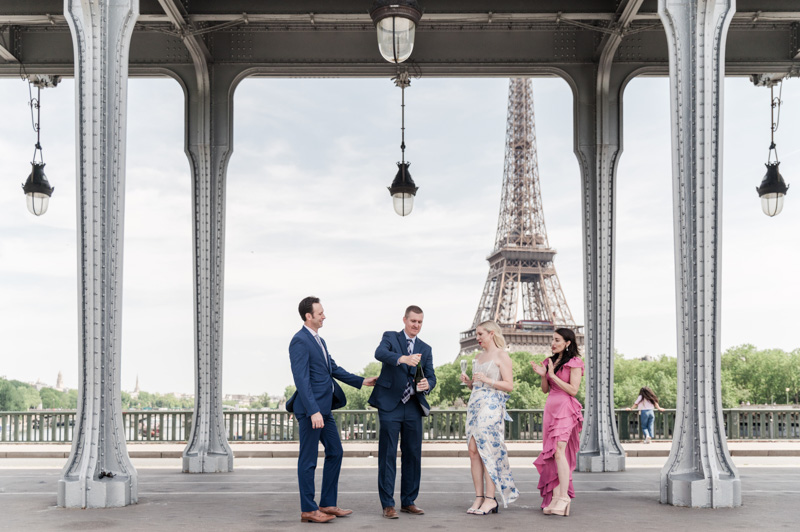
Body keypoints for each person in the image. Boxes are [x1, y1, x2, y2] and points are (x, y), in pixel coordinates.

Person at [287, 296, 377, 523]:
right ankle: (308, 509)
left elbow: (332, 368)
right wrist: (313, 410)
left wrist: (361, 381)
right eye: (320, 313)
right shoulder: (299, 341)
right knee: (308, 460)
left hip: (324, 409)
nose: (324, 316)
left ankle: (327, 504)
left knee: (336, 452)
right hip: (312, 411)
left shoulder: (320, 341)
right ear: (309, 316)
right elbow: (301, 379)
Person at [368, 305, 436, 519]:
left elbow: (432, 376)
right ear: (405, 320)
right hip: (390, 405)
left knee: (413, 456)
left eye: (420, 322)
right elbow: (380, 354)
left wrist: (428, 384)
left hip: (414, 406)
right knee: (387, 455)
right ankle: (388, 504)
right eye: (413, 321)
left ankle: (409, 501)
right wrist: (403, 359)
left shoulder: (426, 348)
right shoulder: (390, 337)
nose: (416, 325)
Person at [459, 320, 519, 515]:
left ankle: (491, 498)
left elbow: (509, 385)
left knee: (488, 450)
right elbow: (476, 385)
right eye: (476, 335)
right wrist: (469, 382)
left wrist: (488, 380)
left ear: (492, 333)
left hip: (492, 405)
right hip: (475, 403)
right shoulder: (478, 357)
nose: (477, 338)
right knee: (473, 450)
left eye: (480, 334)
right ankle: (479, 496)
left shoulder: (502, 355)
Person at [530, 327, 584, 517]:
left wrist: (552, 375)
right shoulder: (549, 362)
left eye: (557, 340)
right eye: (552, 340)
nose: (553, 343)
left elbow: (573, 390)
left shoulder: (575, 362)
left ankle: (564, 497)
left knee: (560, 451)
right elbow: (545, 390)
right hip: (550, 408)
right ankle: (554, 496)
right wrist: (544, 375)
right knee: (552, 453)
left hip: (565, 408)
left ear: (567, 343)